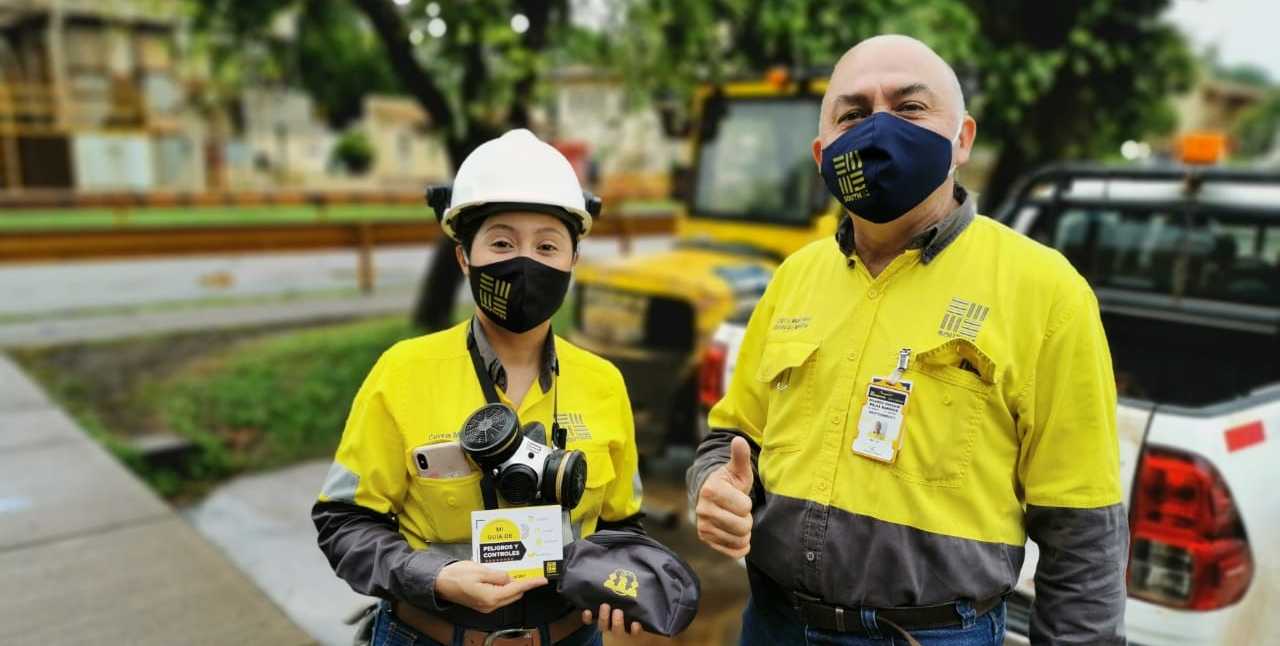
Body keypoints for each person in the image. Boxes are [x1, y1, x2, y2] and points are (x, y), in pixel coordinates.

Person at [688, 35, 1127, 645]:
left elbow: (1081, 528)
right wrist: (713, 484)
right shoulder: (794, 278)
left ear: (962, 139)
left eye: (910, 107)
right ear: (822, 152)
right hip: (773, 625)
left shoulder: (1046, 292)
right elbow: (732, 437)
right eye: (853, 114)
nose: (878, 130)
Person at [314, 129, 649, 646]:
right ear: (464, 257)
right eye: (501, 243)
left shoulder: (603, 383)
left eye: (547, 245)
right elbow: (343, 522)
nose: (525, 262)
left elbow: (624, 528)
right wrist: (435, 577)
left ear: (573, 261)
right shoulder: (404, 372)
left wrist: (627, 582)